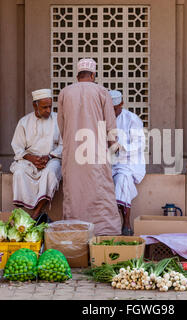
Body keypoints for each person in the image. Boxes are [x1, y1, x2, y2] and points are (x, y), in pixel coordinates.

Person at [57, 58, 122, 236]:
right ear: (93, 75)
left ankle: (75, 233)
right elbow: (110, 124)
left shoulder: (65, 93)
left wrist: (71, 143)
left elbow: (61, 125)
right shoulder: (101, 92)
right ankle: (104, 233)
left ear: (78, 75)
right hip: (96, 152)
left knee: (74, 192)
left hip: (73, 153)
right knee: (100, 191)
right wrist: (114, 146)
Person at [10, 89, 63, 223]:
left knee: (50, 173)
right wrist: (31, 158)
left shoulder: (58, 120)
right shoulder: (24, 122)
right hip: (29, 159)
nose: (48, 110)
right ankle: (21, 213)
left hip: (52, 158)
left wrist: (49, 156)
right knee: (19, 172)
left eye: (50, 107)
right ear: (35, 106)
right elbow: (17, 146)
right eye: (44, 107)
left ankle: (36, 213)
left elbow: (64, 144)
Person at [109, 90, 146, 236]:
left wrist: (120, 146)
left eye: (115, 109)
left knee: (123, 180)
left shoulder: (132, 119)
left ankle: (126, 222)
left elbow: (139, 144)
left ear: (121, 104)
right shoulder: (103, 119)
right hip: (108, 162)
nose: (112, 112)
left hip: (129, 162)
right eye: (110, 109)